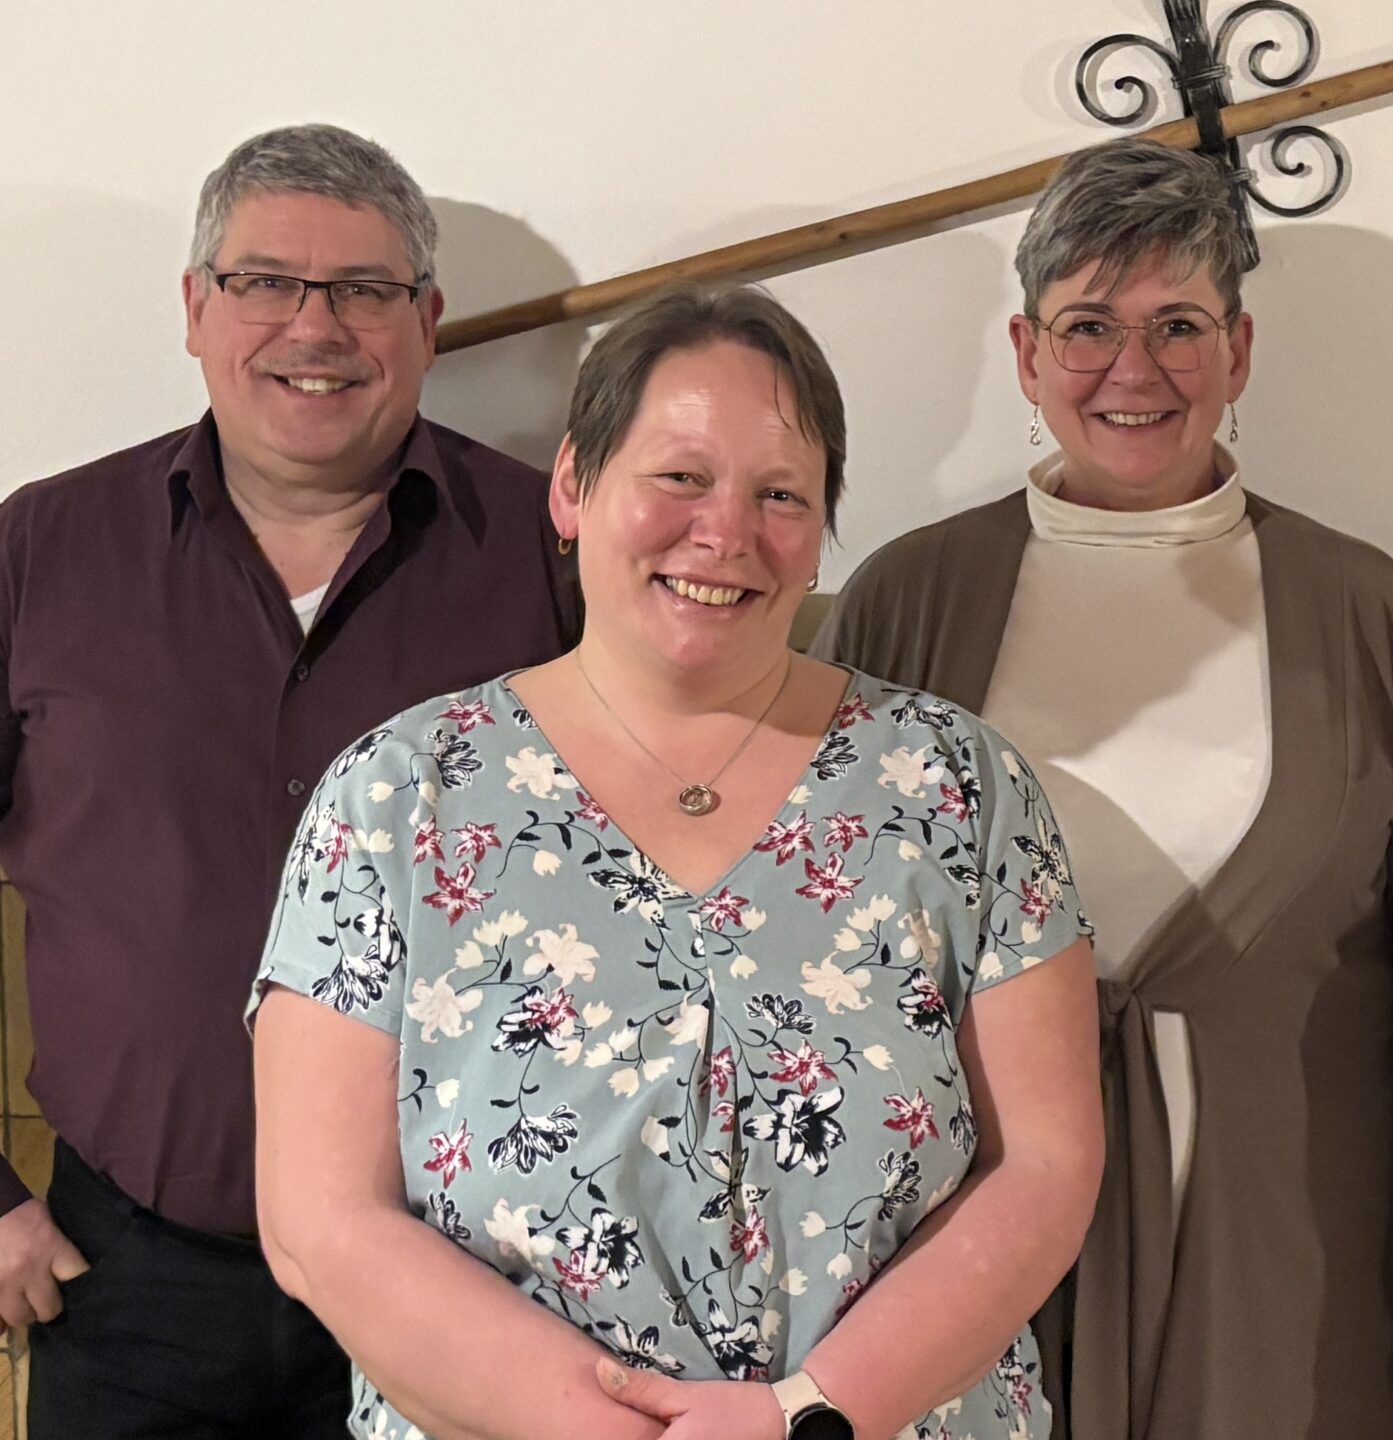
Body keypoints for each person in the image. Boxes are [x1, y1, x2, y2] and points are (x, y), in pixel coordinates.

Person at [249, 284, 1104, 1440]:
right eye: (680, 477)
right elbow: (319, 1222)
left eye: (780, 495)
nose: (726, 533)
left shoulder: (961, 786)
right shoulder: (396, 798)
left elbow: (1043, 1171)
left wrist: (804, 1416)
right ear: (573, 485)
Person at [813, 137, 1393, 1440]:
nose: (1135, 369)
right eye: (1088, 327)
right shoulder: (906, 602)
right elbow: (827, 939)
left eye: (1178, 324)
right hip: (967, 1240)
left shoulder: (1364, 611)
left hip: (1298, 1245)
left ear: (1239, 351)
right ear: (1025, 353)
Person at [0, 123, 578, 1436]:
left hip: (470, 1273)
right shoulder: (41, 548)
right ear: (195, 308)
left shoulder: (550, 558)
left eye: (363, 290)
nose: (313, 326)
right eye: (265, 282)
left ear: (427, 323)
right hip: (123, 1281)